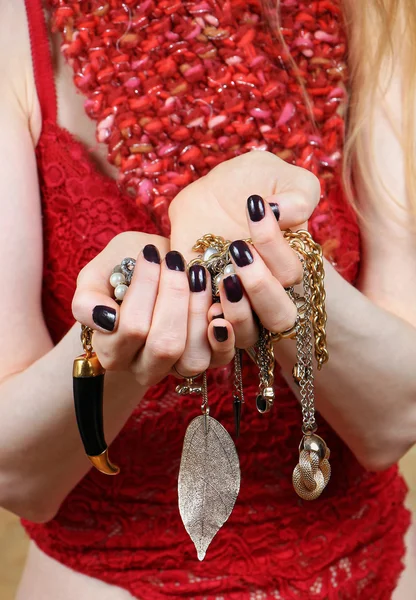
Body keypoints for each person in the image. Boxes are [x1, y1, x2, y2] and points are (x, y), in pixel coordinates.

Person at [0, 0, 415, 598]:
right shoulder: (16, 29)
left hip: (372, 572)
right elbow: (20, 478)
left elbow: (393, 420)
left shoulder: (369, 17)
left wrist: (273, 262)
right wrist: (119, 333)